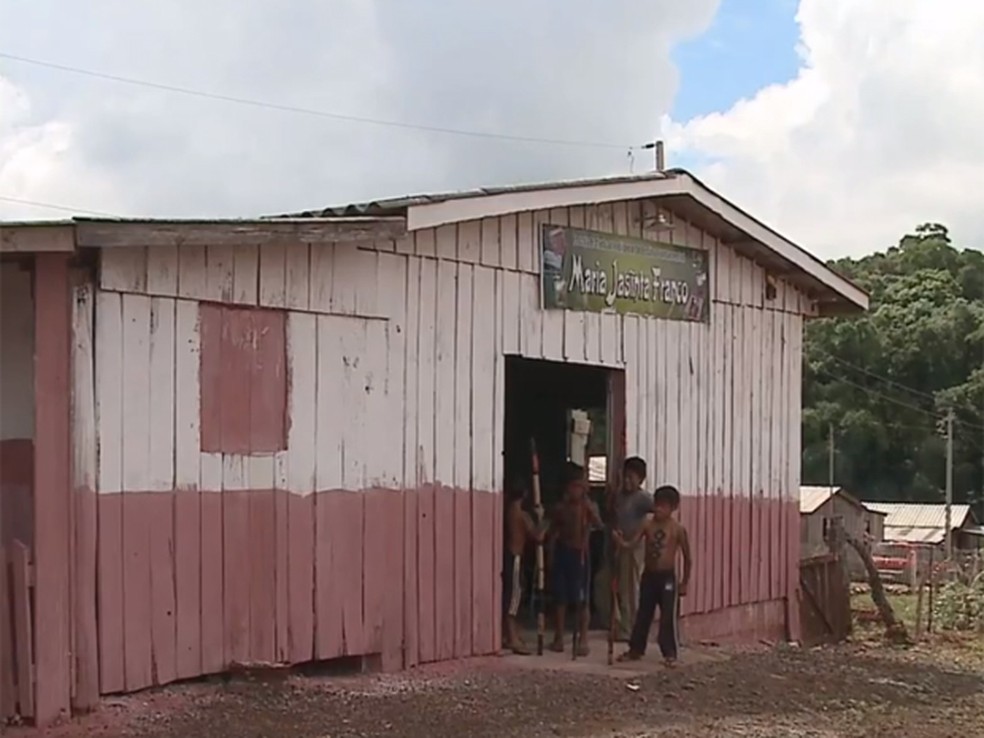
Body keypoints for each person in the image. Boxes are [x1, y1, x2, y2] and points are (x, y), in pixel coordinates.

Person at [614, 484, 692, 667]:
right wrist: (619, 541)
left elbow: (688, 558)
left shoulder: (677, 529)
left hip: (667, 577)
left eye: (663, 506)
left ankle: (670, 653)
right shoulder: (646, 524)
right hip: (649, 575)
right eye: (657, 505)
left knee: (667, 616)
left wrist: (684, 582)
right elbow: (631, 544)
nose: (658, 509)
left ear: (673, 508)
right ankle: (636, 649)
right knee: (643, 613)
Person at [549, 461, 603, 656]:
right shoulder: (561, 508)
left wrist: (592, 512)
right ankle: (559, 636)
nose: (576, 491)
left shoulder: (587, 507)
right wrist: (550, 554)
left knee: (582, 600)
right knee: (560, 598)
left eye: (580, 486)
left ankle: (583, 639)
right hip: (563, 553)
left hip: (581, 553)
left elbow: (599, 525)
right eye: (574, 486)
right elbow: (554, 531)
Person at [611, 456, 654, 641]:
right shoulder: (620, 496)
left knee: (630, 588)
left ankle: (631, 628)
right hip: (618, 545)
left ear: (640, 480)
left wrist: (642, 532)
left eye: (632, 478)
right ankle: (620, 624)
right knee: (618, 586)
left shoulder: (642, 498)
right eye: (625, 477)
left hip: (634, 547)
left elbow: (658, 511)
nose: (627, 481)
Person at [502, 478, 547, 655]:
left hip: (510, 556)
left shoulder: (508, 511)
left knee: (511, 595)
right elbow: (538, 536)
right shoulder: (520, 514)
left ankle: (510, 634)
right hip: (515, 557)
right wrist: (543, 518)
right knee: (514, 597)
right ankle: (512, 637)